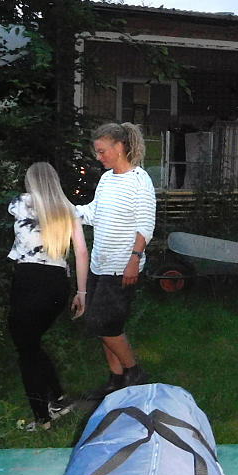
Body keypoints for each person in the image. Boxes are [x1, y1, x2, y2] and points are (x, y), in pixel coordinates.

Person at [76, 122, 156, 400]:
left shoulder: (139, 180)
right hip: (99, 263)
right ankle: (116, 379)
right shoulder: (107, 179)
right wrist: (63, 210)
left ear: (120, 147)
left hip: (122, 267)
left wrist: (135, 259)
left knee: (102, 324)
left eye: (102, 151)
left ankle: (134, 372)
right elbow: (92, 213)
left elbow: (146, 224)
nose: (99, 157)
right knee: (107, 326)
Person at [8, 162, 89, 431]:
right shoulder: (68, 209)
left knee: (26, 350)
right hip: (57, 285)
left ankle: (42, 418)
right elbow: (80, 253)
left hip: (28, 281)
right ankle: (59, 399)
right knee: (31, 343)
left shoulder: (20, 202)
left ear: (31, 182)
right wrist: (81, 292)